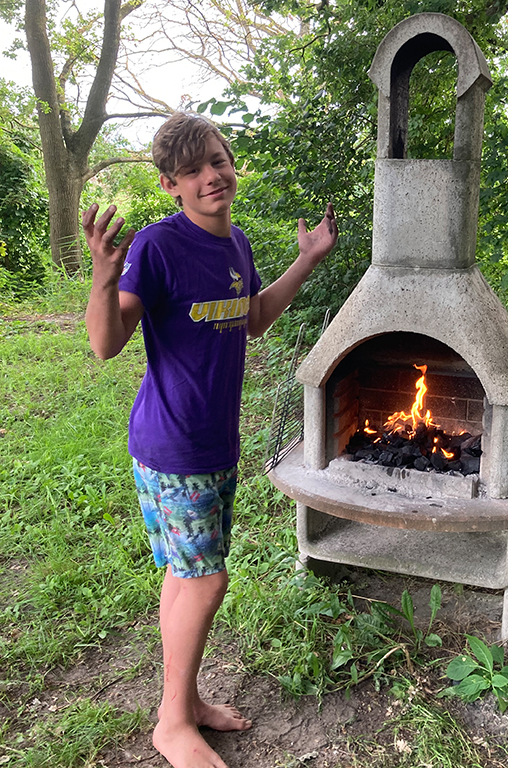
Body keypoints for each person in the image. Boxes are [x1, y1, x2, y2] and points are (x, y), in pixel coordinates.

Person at [82, 111, 337, 768]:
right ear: (170, 184)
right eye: (192, 171)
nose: (211, 177)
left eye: (217, 161)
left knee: (185, 576)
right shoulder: (160, 248)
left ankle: (185, 702)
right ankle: (172, 724)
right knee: (207, 581)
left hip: (213, 442)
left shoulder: (237, 244)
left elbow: (252, 319)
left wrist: (305, 259)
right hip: (175, 445)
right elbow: (106, 343)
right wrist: (104, 280)